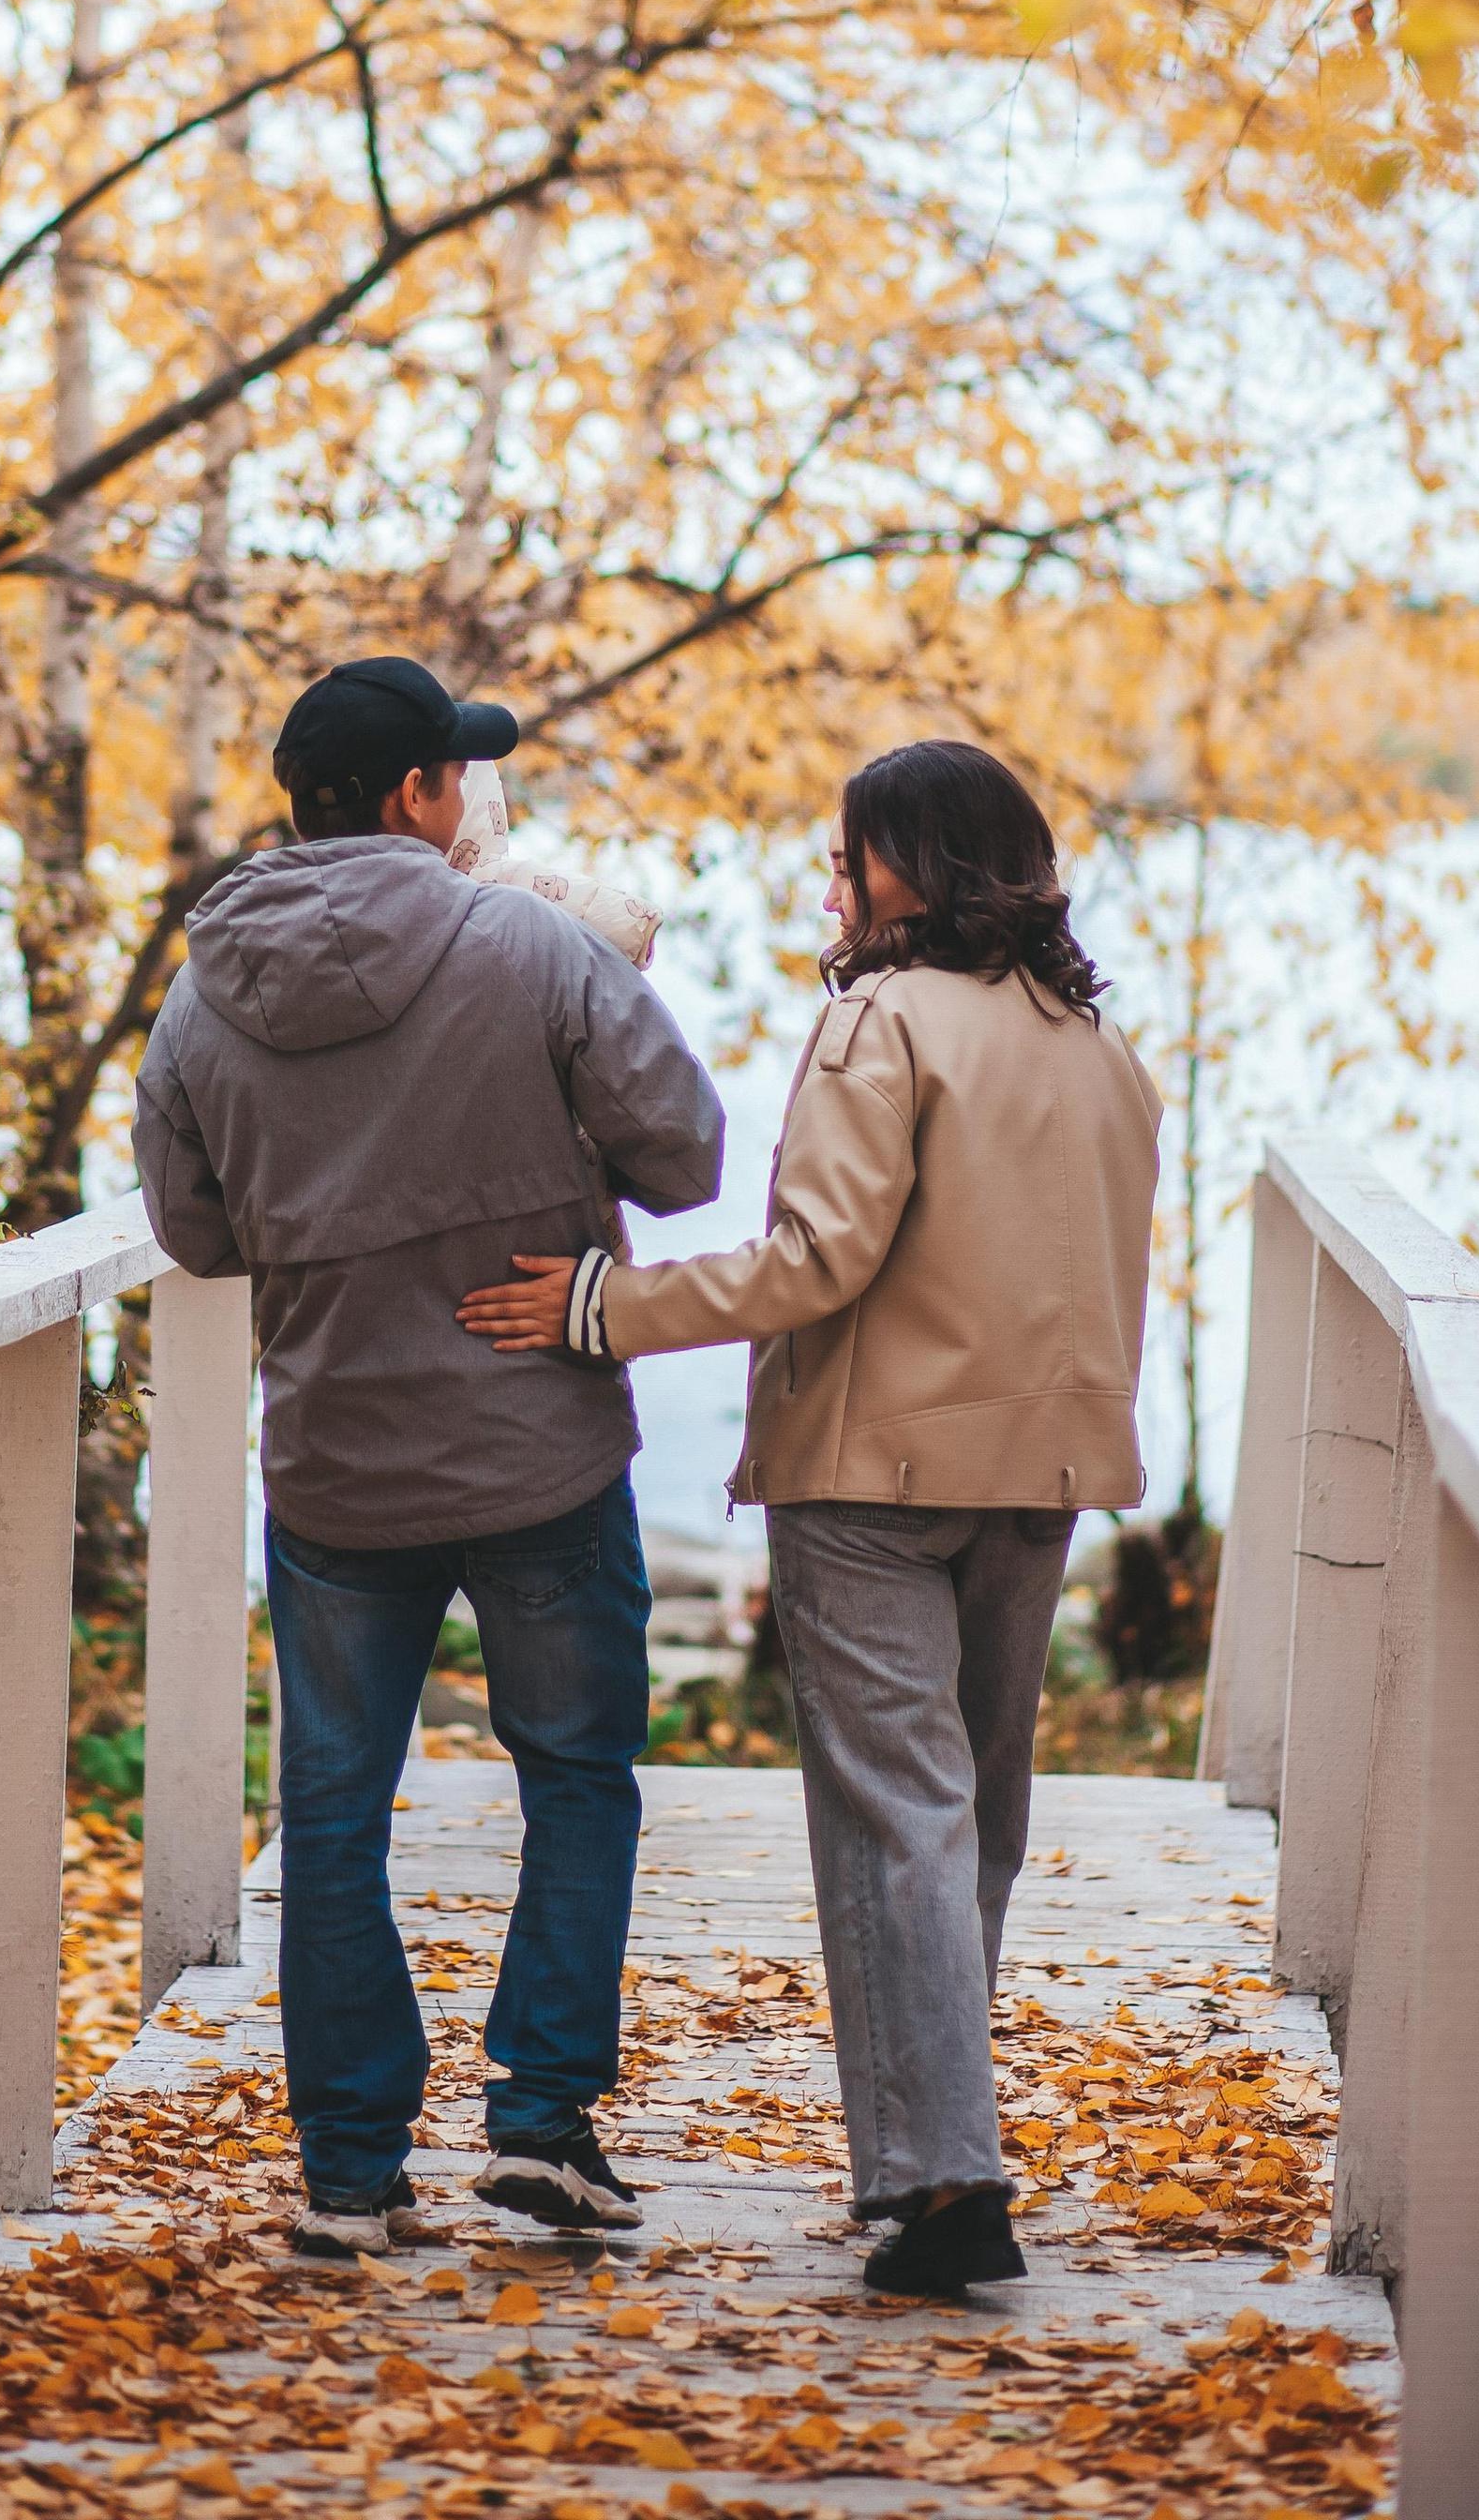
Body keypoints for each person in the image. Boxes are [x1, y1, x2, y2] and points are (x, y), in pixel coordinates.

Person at [458, 739, 1160, 2302]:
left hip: (870, 1483)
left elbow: (814, 1260)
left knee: (892, 1817)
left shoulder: (876, 1021)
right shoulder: (1100, 1049)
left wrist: (603, 1305)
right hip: (1040, 1480)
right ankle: (940, 2158)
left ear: (926, 863)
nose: (829, 883)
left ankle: (939, 2178)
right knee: (970, 1814)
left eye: (851, 856)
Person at [133, 654, 724, 2259]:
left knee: (334, 1813)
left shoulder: (201, 996)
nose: (468, 796)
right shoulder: (527, 943)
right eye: (456, 773)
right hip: (535, 1448)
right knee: (578, 1783)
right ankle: (541, 2124)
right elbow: (687, 1154)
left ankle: (347, 2170)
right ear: (414, 798)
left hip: (333, 1468)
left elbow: (192, 1232)